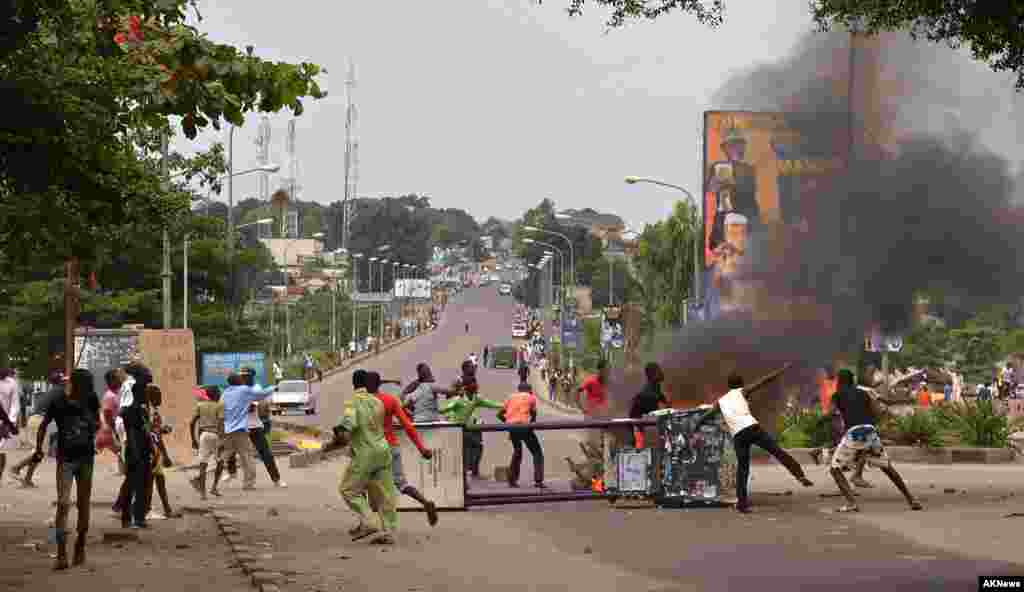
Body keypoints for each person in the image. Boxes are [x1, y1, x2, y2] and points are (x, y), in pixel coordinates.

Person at [695, 365, 813, 513]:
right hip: (752, 428)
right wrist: (780, 371)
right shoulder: (742, 392)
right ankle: (799, 475)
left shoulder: (721, 401)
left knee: (742, 469)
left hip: (738, 435)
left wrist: (696, 426)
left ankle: (742, 504)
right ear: (741, 384)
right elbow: (764, 381)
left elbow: (707, 415)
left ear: (728, 386)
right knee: (777, 451)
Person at [325, 371, 403, 545]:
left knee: (348, 489)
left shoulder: (353, 402)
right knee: (385, 493)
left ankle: (369, 521)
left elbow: (347, 428)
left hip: (365, 453)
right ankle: (389, 531)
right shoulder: (377, 402)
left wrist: (332, 443)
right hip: (383, 450)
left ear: (353, 384)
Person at [829, 369, 923, 513]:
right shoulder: (864, 393)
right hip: (869, 431)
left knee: (835, 469)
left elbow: (831, 414)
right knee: (887, 467)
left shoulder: (836, 395)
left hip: (854, 433)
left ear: (840, 381)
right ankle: (911, 499)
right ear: (852, 380)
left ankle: (851, 503)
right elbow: (876, 412)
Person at [35, 368, 100, 569]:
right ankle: (62, 553)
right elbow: (43, 424)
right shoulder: (59, 400)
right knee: (63, 504)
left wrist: (84, 414)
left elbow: (97, 424)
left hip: (86, 458)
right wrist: (38, 448)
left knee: (83, 503)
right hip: (66, 459)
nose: (68, 384)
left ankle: (80, 544)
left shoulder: (91, 400)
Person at [362, 369, 439, 525]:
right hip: (392, 447)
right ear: (378, 384)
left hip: (373, 449)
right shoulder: (390, 401)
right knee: (402, 484)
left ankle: (368, 520)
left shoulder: (363, 403)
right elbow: (408, 426)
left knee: (363, 484)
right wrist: (421, 448)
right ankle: (425, 502)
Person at [441, 361, 503, 479]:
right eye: (471, 368)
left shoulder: (473, 384)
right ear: (464, 369)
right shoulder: (458, 381)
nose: (473, 369)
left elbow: (482, 402)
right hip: (458, 420)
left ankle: (473, 472)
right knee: (464, 448)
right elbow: (449, 399)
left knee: (476, 445)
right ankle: (463, 473)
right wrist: (449, 413)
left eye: (474, 368)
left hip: (473, 420)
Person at [219, 372, 276, 492]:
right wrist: (274, 387)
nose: (242, 379)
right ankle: (248, 484)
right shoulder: (244, 390)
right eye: (240, 378)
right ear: (238, 381)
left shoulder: (225, 393)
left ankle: (206, 480)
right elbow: (262, 395)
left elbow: (221, 409)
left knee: (223, 456)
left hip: (227, 430)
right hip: (240, 430)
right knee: (247, 457)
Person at [11, 371, 65, 487]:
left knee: (38, 452)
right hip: (39, 421)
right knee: (39, 452)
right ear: (61, 381)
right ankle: (17, 467)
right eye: (63, 380)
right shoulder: (60, 392)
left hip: (34, 420)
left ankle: (27, 479)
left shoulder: (52, 391)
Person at [118, 363, 155, 529]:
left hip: (140, 449)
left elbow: (144, 431)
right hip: (136, 451)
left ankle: (134, 517)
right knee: (136, 483)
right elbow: (133, 433)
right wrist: (137, 453)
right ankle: (132, 517)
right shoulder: (132, 410)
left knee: (137, 483)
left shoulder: (138, 408)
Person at [498, 382, 545, 489]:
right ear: (529, 390)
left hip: (512, 428)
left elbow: (499, 414)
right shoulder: (531, 397)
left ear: (519, 390)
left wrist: (508, 422)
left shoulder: (510, 397)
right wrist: (531, 426)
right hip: (524, 426)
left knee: (517, 452)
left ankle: (512, 480)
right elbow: (533, 414)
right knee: (537, 452)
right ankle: (538, 481)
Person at [143, 384, 180, 520]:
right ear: (150, 396)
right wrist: (165, 455)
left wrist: (161, 430)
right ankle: (149, 510)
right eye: (158, 395)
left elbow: (155, 432)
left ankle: (165, 509)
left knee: (156, 479)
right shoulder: (150, 412)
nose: (160, 398)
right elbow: (154, 435)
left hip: (153, 449)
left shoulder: (150, 410)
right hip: (152, 450)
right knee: (153, 480)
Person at [189, 385, 224, 500]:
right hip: (215, 435)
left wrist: (193, 440)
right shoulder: (219, 406)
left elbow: (192, 422)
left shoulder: (200, 406)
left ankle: (203, 493)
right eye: (219, 393)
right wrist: (222, 439)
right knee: (220, 462)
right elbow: (220, 423)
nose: (220, 395)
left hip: (204, 436)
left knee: (203, 464)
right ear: (216, 395)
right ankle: (214, 487)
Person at [629, 363, 669, 448]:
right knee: (638, 438)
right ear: (651, 374)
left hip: (643, 414)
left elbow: (660, 396)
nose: (660, 372)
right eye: (657, 371)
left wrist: (666, 403)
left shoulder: (656, 386)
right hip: (637, 416)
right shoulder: (648, 391)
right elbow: (654, 406)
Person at [96, 369, 124, 476]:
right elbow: (107, 414)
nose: (121, 380)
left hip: (113, 429)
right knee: (120, 449)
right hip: (110, 430)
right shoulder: (110, 396)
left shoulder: (116, 394)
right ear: (112, 381)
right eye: (118, 378)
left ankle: (122, 470)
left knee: (120, 450)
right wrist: (114, 430)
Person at [0, 368, 21, 482]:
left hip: (4, 423)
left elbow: (15, 404)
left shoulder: (12, 383)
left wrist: (10, 422)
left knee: (1, 450)